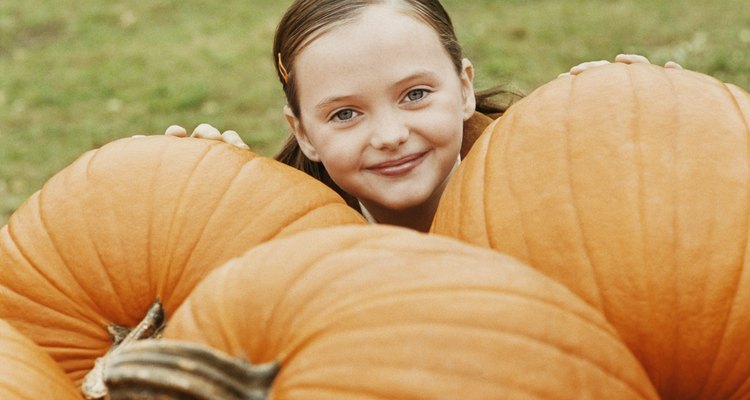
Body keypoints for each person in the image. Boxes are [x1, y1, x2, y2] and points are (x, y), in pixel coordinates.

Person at [166, 0, 681, 232]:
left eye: (414, 95)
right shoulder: (292, 233)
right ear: (303, 133)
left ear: (463, 89)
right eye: (345, 113)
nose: (390, 135)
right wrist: (212, 214)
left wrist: (655, 128)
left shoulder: (550, 175)